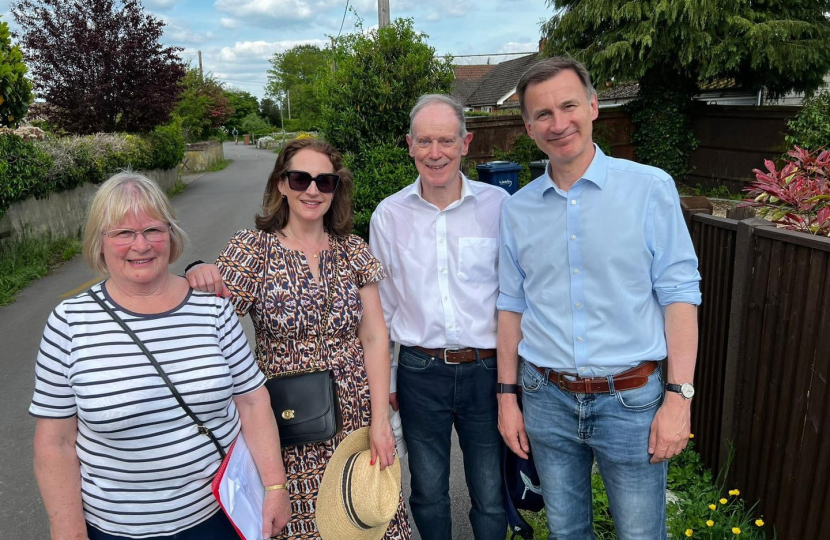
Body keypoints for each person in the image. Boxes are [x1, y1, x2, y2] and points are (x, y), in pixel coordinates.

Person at [496, 57, 702, 539]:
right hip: (545, 398)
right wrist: (508, 399)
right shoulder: (517, 209)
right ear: (528, 127)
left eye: (568, 105)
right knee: (566, 531)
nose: (558, 122)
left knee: (640, 533)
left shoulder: (650, 189)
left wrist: (679, 397)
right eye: (542, 114)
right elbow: (511, 305)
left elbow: (679, 295)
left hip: (630, 401)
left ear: (592, 106)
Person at [30, 172, 291, 540]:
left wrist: (275, 487)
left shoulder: (213, 311)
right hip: (116, 529)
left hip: (220, 517)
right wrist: (68, 530)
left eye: (153, 230)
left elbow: (252, 401)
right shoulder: (69, 323)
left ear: (171, 234)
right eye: (122, 233)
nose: (141, 245)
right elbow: (54, 442)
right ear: (99, 242)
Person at [185, 138, 411, 539]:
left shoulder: (352, 250)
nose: (312, 190)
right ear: (280, 185)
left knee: (365, 517)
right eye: (300, 178)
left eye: (325, 181)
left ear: (335, 190)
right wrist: (196, 269)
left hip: (355, 415)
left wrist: (381, 421)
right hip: (287, 423)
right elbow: (202, 321)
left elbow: (375, 337)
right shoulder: (252, 250)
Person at [369, 94, 508, 540]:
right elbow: (383, 308)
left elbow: (513, 298)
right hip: (418, 370)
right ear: (409, 145)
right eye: (424, 141)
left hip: (485, 370)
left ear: (466, 143)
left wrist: (513, 379)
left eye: (445, 140)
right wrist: (387, 382)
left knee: (490, 491)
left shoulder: (499, 208)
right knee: (427, 491)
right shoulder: (389, 215)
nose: (435, 153)